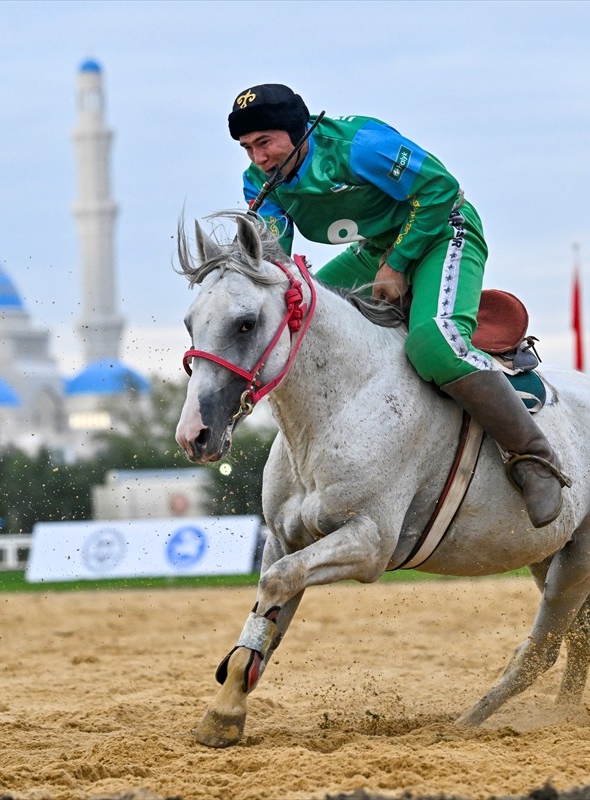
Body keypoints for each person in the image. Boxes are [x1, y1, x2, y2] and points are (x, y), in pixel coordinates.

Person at [227, 83, 569, 528]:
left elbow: (442, 189)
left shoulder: (359, 147)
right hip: (376, 248)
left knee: (433, 346)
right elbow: (276, 263)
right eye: (247, 147)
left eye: (265, 142)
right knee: (302, 318)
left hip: (444, 230)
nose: (258, 158)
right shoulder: (259, 181)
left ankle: (535, 457)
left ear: (298, 130)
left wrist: (398, 263)